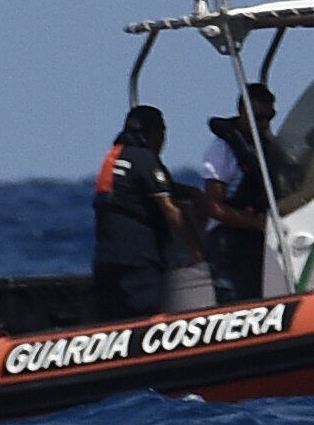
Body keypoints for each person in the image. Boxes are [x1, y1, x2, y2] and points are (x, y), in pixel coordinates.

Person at [87, 107, 191, 317]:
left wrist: (193, 194)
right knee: (144, 315)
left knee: (114, 319)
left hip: (106, 259)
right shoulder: (143, 158)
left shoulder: (116, 159)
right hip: (138, 261)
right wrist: (196, 249)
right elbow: (170, 208)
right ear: (155, 133)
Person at [191, 90, 281, 300]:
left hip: (259, 239)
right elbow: (214, 207)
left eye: (270, 118)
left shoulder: (267, 148)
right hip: (230, 242)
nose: (265, 125)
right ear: (243, 113)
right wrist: (257, 223)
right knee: (237, 299)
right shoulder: (221, 150)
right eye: (258, 118)